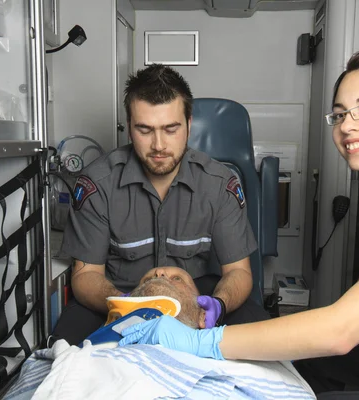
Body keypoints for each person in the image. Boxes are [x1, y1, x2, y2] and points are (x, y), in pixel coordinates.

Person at [118, 46, 359, 400]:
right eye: (341, 114)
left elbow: (342, 330)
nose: (348, 126)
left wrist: (201, 341)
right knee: (287, 365)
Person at [51, 64, 270, 346]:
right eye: (145, 130)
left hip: (195, 294)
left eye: (170, 129)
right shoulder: (97, 183)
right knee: (66, 347)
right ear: (129, 128)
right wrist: (126, 304)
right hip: (120, 293)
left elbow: (238, 272)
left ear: (189, 125)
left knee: (260, 336)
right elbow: (86, 275)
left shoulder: (219, 183)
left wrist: (218, 305)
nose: (158, 145)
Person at [4, 267, 315, 400]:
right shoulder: (73, 357)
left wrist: (198, 339)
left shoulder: (238, 356)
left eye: (178, 280)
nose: (162, 274)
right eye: (152, 277)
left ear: (203, 313)